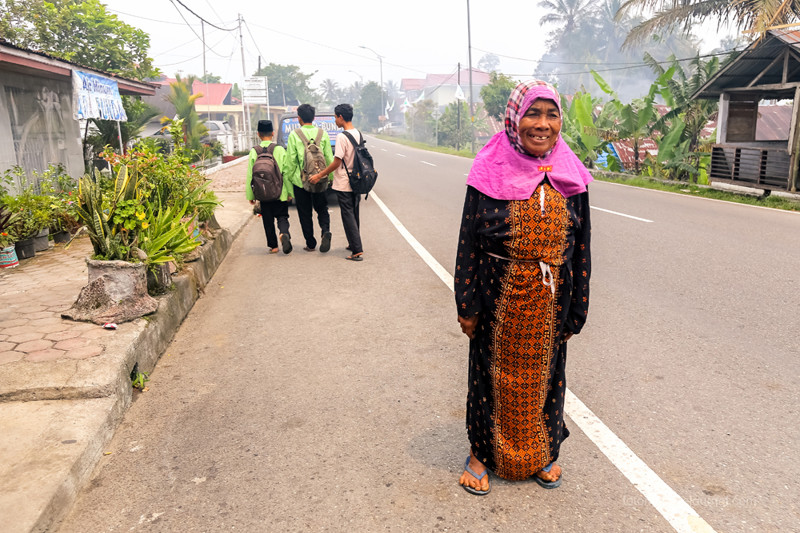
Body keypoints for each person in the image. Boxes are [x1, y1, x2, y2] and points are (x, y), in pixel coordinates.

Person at [454, 80, 592, 496]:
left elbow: (582, 247)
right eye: (534, 113)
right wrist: (467, 303)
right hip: (497, 297)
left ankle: (543, 450)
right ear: (515, 118)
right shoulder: (487, 169)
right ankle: (481, 453)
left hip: (552, 300)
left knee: (547, 377)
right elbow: (468, 243)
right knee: (488, 376)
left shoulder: (570, 172)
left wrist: (577, 310)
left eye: (552, 115)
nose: (542, 125)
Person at [309, 103, 364, 261]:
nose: (334, 120)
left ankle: (357, 250)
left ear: (341, 117)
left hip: (345, 181)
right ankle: (353, 243)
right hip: (357, 180)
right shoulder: (358, 133)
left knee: (347, 215)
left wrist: (320, 175)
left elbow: (336, 162)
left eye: (335, 117)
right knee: (354, 213)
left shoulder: (342, 136)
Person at [283, 103, 334, 252]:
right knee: (322, 208)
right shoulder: (322, 133)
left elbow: (291, 161)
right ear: (313, 117)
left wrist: (291, 181)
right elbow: (329, 158)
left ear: (299, 118)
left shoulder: (294, 134)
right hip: (320, 178)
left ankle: (310, 243)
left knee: (305, 213)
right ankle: (325, 231)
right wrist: (328, 177)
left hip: (301, 181)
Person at [246, 119, 292, 254]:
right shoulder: (279, 150)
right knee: (282, 216)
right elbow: (286, 172)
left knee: (267, 219)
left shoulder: (254, 151)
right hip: (280, 192)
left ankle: (274, 246)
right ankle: (284, 233)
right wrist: (289, 192)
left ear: (258, 134)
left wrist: (251, 195)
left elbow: (250, 175)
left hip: (263, 193)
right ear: (273, 133)